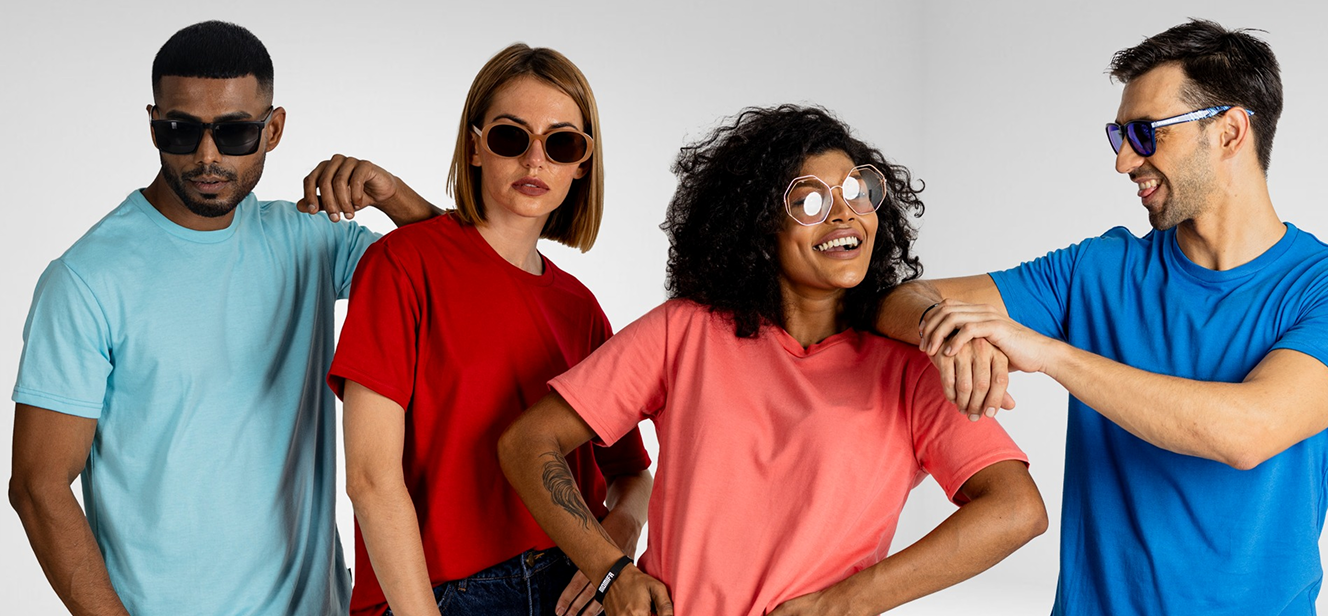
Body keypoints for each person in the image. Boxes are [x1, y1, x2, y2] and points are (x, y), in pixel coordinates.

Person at [877, 19, 1328, 615]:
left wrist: (1048, 354)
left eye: (1145, 133)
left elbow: (1246, 433)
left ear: (1228, 131)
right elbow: (896, 300)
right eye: (1117, 134)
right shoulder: (1096, 269)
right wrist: (952, 332)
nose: (1124, 161)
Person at [498, 105, 1047, 616]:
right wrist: (608, 569)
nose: (843, 215)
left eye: (857, 192)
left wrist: (843, 603)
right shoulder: (684, 331)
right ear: (759, 227)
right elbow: (528, 443)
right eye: (809, 201)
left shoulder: (909, 369)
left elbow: (1015, 510)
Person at [8, 21, 439, 615]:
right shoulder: (87, 279)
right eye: (180, 131)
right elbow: (38, 486)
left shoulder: (309, 242)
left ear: (275, 129)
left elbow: (454, 287)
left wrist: (395, 197)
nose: (206, 156)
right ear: (153, 122)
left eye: (235, 132)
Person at [325, 43, 653, 616]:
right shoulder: (402, 264)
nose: (534, 160)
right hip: (438, 594)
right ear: (475, 147)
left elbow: (630, 472)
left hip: (568, 588)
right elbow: (371, 480)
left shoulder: (581, 309)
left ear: (582, 163)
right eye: (509, 136)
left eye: (561, 143)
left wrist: (615, 542)